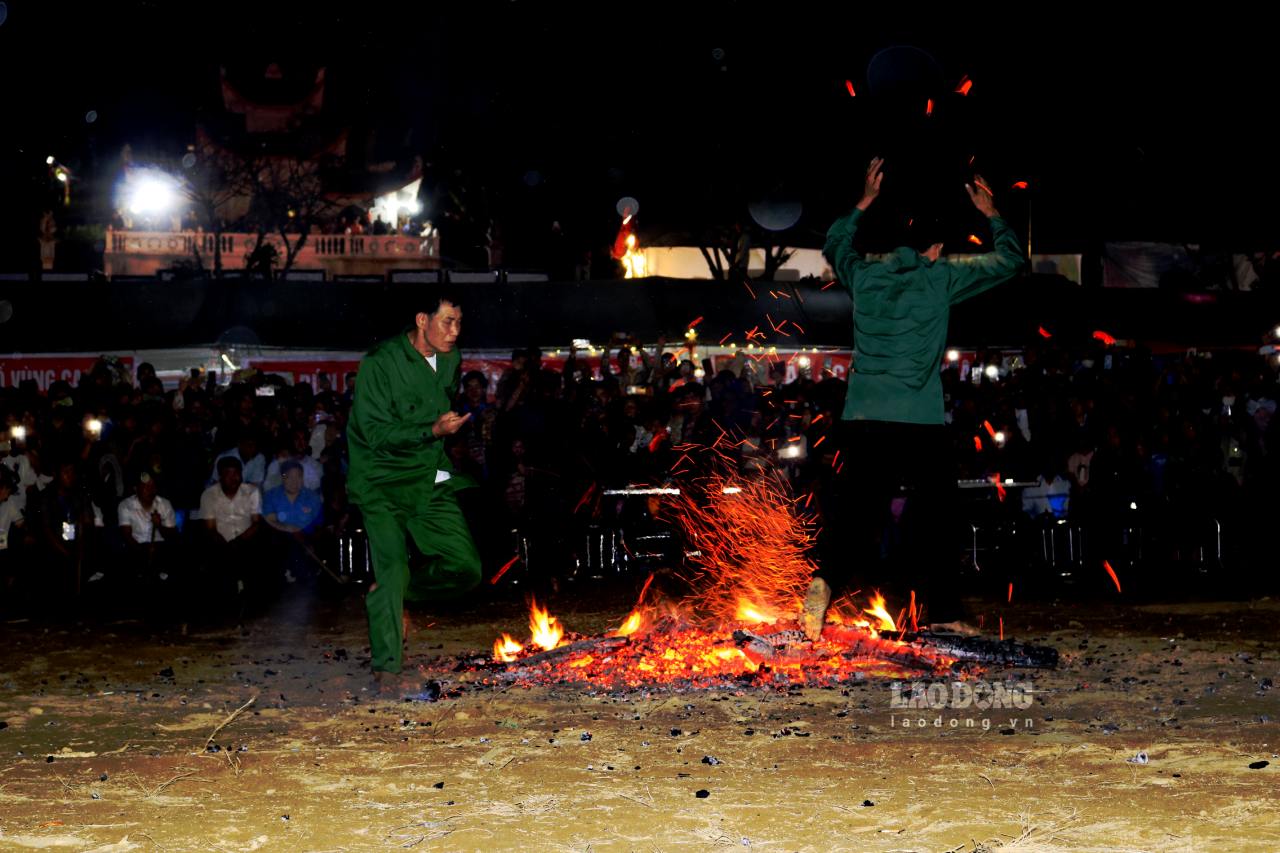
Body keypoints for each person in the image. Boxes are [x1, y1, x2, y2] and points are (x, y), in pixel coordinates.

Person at [805, 157, 1024, 639]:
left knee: (859, 513)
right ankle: (943, 611)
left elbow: (835, 243)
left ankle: (825, 579)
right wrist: (993, 215)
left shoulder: (863, 277)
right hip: (919, 421)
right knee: (938, 517)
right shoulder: (940, 278)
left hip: (862, 415)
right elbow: (1011, 262)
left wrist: (863, 200)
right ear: (935, 247)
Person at [347, 291, 481, 691]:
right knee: (392, 568)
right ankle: (387, 669)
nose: (455, 332)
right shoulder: (379, 363)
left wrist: (440, 432)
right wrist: (433, 430)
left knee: (466, 568)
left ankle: (392, 595)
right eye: (447, 322)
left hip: (427, 477)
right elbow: (372, 433)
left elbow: (437, 407)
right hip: (381, 482)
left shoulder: (451, 360)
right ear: (422, 320)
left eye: (459, 322)